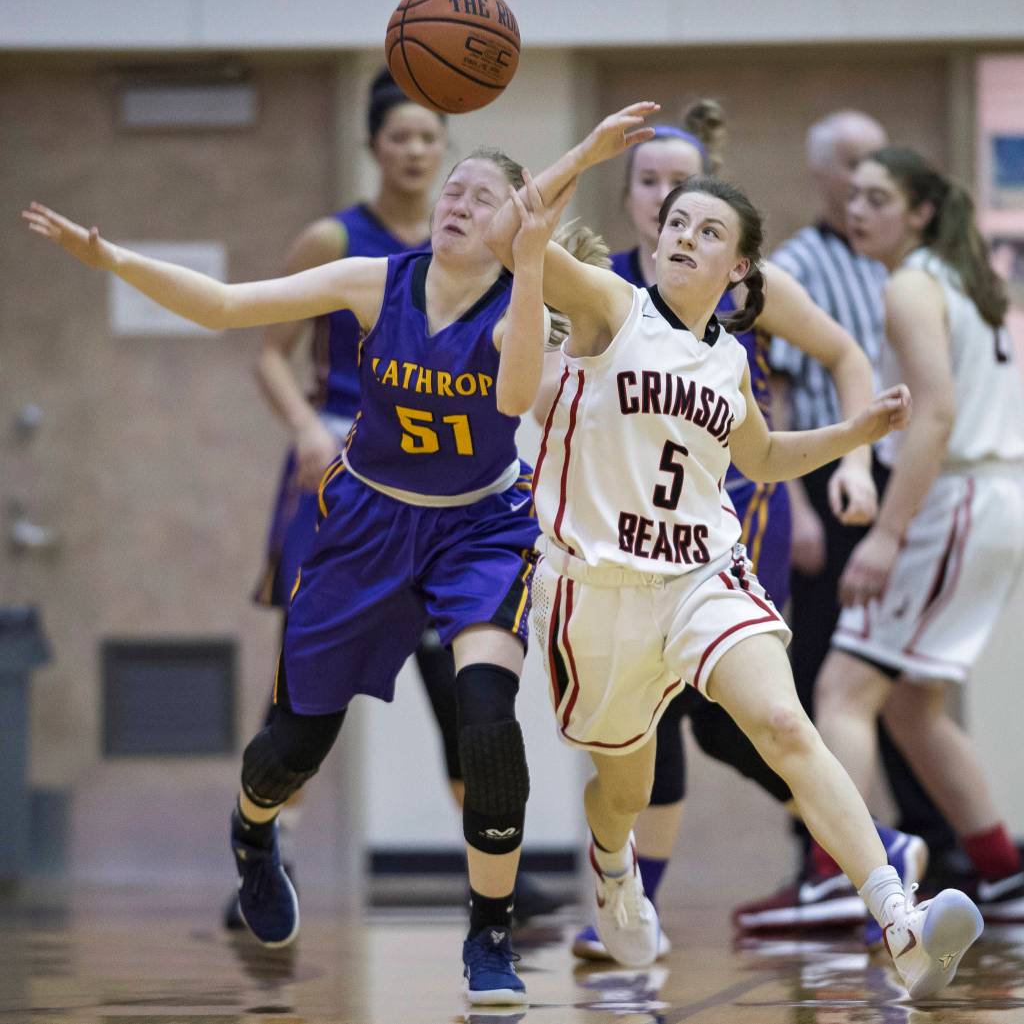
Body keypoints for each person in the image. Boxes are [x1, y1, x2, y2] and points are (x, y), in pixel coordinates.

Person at [23, 144, 577, 1005]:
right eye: (453, 189)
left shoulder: (523, 305)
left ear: (514, 221)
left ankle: (490, 934)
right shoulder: (373, 279)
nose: (456, 202)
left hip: (480, 528)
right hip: (365, 523)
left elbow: (513, 402)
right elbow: (224, 306)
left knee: (486, 716)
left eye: (481, 196)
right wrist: (115, 258)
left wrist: (538, 256)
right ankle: (252, 834)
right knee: (294, 747)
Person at [487, 102, 982, 1000]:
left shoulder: (730, 363)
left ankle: (898, 916)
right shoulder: (610, 306)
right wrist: (587, 154)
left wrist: (854, 432)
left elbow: (760, 458)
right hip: (596, 592)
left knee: (788, 725)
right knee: (625, 792)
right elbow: (504, 234)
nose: (681, 235)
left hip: (700, 576)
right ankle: (612, 863)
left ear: (738, 265)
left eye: (705, 229)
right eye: (675, 221)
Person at [571, 100, 895, 960]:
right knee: (659, 742)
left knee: (758, 716)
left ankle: (880, 882)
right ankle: (626, 888)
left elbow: (838, 367)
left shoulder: (745, 307)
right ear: (634, 200)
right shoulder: (610, 295)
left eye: (686, 192)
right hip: (610, 558)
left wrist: (855, 459)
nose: (669, 206)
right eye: (653, 190)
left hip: (725, 530)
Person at [238, 68, 561, 931]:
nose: (419, 154)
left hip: (457, 488)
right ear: (373, 147)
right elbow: (268, 347)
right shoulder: (336, 240)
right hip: (349, 463)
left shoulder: (478, 249)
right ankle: (272, 838)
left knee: (465, 685)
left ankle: (490, 862)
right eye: (402, 138)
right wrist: (308, 425)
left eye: (432, 140)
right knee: (307, 686)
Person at [739, 111, 961, 934]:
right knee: (838, 672)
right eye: (854, 167)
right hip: (832, 479)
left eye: (880, 167)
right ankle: (833, 858)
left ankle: (917, 846)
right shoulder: (796, 265)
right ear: (823, 177)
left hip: (909, 479)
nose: (869, 179)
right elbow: (782, 390)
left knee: (878, 679)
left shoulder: (911, 269)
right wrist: (794, 504)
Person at [814, 146, 1024, 925]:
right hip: (991, 493)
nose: (858, 209)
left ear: (921, 211)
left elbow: (933, 412)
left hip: (955, 494)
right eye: (854, 195)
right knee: (911, 706)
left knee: (843, 688)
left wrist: (886, 535)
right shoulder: (959, 276)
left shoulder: (911, 283)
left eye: (878, 198)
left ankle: (834, 876)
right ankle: (1003, 870)